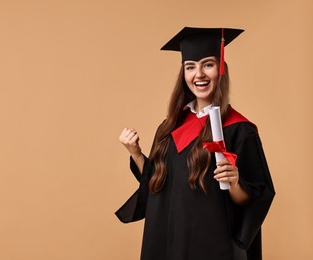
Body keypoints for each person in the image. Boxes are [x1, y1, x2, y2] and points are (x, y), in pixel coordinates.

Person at [116, 27, 275, 260]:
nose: (198, 74)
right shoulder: (169, 127)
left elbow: (251, 200)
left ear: (221, 69)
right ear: (184, 74)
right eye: (190, 66)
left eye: (208, 64)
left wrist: (234, 181)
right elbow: (156, 186)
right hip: (168, 239)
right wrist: (137, 154)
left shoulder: (240, 130)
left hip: (210, 244)